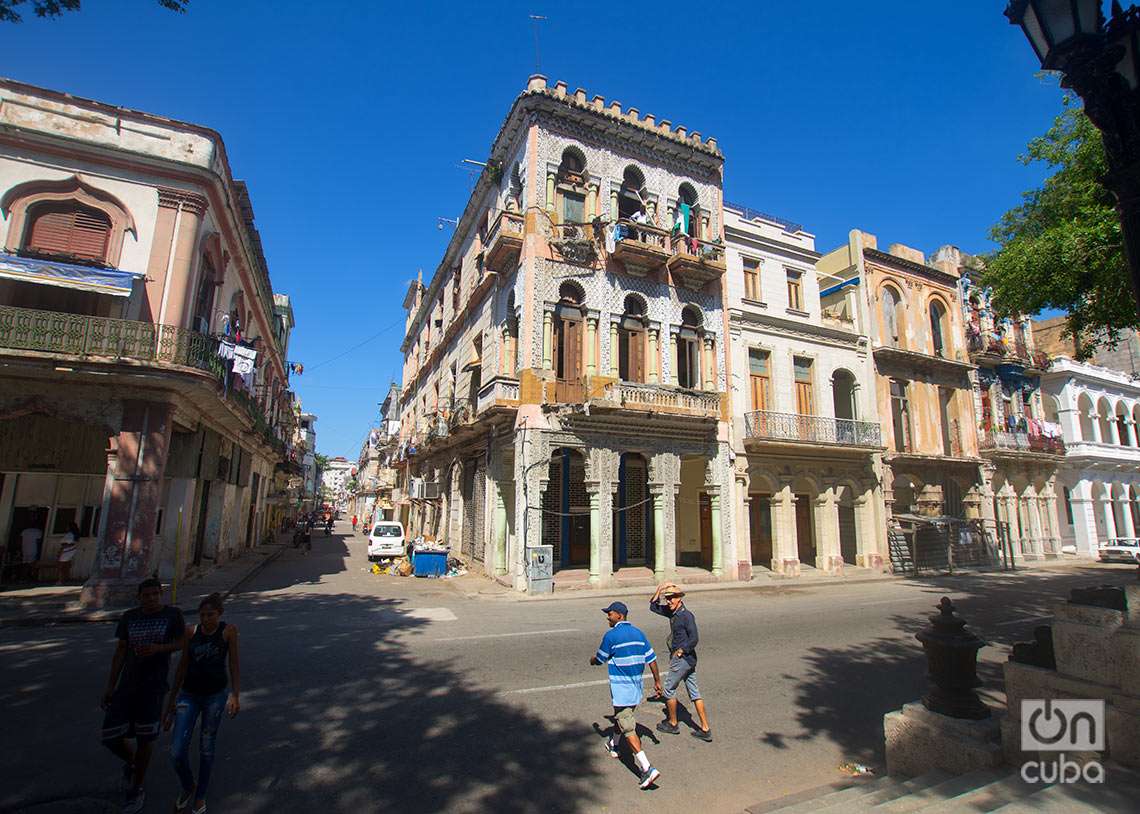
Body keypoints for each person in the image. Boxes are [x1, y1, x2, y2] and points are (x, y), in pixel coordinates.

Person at [101, 578, 187, 814]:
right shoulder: (130, 617)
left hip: (154, 686)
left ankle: (137, 786)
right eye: (147, 595)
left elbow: (182, 642)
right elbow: (120, 651)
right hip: (126, 685)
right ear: (139, 596)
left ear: (162, 595)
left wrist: (159, 649)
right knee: (110, 736)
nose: (151, 599)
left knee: (145, 738)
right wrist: (110, 685)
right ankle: (132, 762)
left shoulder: (172, 615)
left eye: (156, 594)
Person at [164, 593, 240, 814]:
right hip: (189, 695)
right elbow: (181, 666)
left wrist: (235, 694)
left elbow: (234, 664)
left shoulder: (228, 632)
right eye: (203, 615)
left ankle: (200, 795)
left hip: (215, 696)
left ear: (220, 614)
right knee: (177, 751)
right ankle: (189, 785)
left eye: (211, 615)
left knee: (207, 748)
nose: (207, 619)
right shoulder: (191, 632)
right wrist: (170, 703)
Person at [590, 601, 663, 790]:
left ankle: (647, 767)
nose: (608, 617)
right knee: (621, 717)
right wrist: (657, 681)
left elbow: (599, 658)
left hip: (621, 689)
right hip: (636, 687)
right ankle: (614, 744)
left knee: (628, 726)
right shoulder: (639, 634)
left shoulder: (611, 635)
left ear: (620, 616)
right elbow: (652, 659)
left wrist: (592, 660)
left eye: (610, 614)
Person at [650, 583, 712, 741]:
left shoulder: (686, 616)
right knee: (694, 692)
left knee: (668, 690)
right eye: (667, 598)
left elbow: (694, 638)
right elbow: (653, 606)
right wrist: (660, 588)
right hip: (688, 660)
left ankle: (673, 723)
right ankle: (705, 728)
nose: (668, 601)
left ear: (679, 599)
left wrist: (681, 650)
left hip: (683, 659)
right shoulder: (673, 613)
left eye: (671, 598)